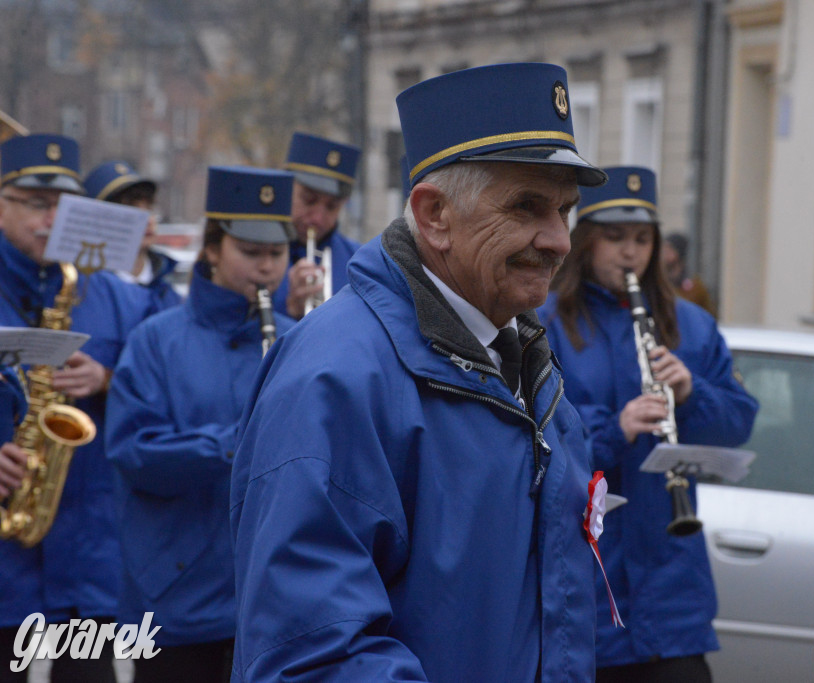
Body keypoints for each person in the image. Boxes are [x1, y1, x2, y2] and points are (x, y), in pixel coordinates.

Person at [230, 62, 608, 682]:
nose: (559, 240)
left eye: (566, 210)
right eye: (528, 207)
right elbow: (312, 655)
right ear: (434, 215)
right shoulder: (336, 379)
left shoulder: (522, 357)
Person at [537, 166, 758, 683]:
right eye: (614, 238)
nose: (630, 252)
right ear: (584, 241)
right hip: (587, 591)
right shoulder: (545, 322)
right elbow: (534, 440)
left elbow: (739, 422)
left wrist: (691, 393)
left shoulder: (692, 325)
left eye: (642, 239)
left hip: (672, 596)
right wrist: (616, 428)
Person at [106, 166, 296, 683]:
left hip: (275, 601)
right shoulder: (155, 341)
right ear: (212, 250)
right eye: (250, 253)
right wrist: (235, 445)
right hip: (179, 599)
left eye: (276, 254)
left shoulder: (299, 340)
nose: (266, 268)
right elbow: (134, 453)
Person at [0, 133, 153, 683]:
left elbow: (169, 383)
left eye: (64, 207)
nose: (51, 221)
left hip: (91, 563)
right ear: (1, 202)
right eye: (37, 204)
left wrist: (111, 380)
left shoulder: (111, 293)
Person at [273, 131, 361, 319]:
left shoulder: (360, 262)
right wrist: (286, 310)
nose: (318, 219)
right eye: (309, 200)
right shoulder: (254, 257)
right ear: (286, 188)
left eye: (332, 206)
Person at [83, 161, 182, 311]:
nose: (148, 219)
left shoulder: (168, 289)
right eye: (131, 209)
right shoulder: (84, 292)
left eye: (149, 207)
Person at [661, 232, 715, 317]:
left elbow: (709, 317)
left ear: (678, 252)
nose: (664, 253)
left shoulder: (696, 287)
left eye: (669, 248)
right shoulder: (660, 282)